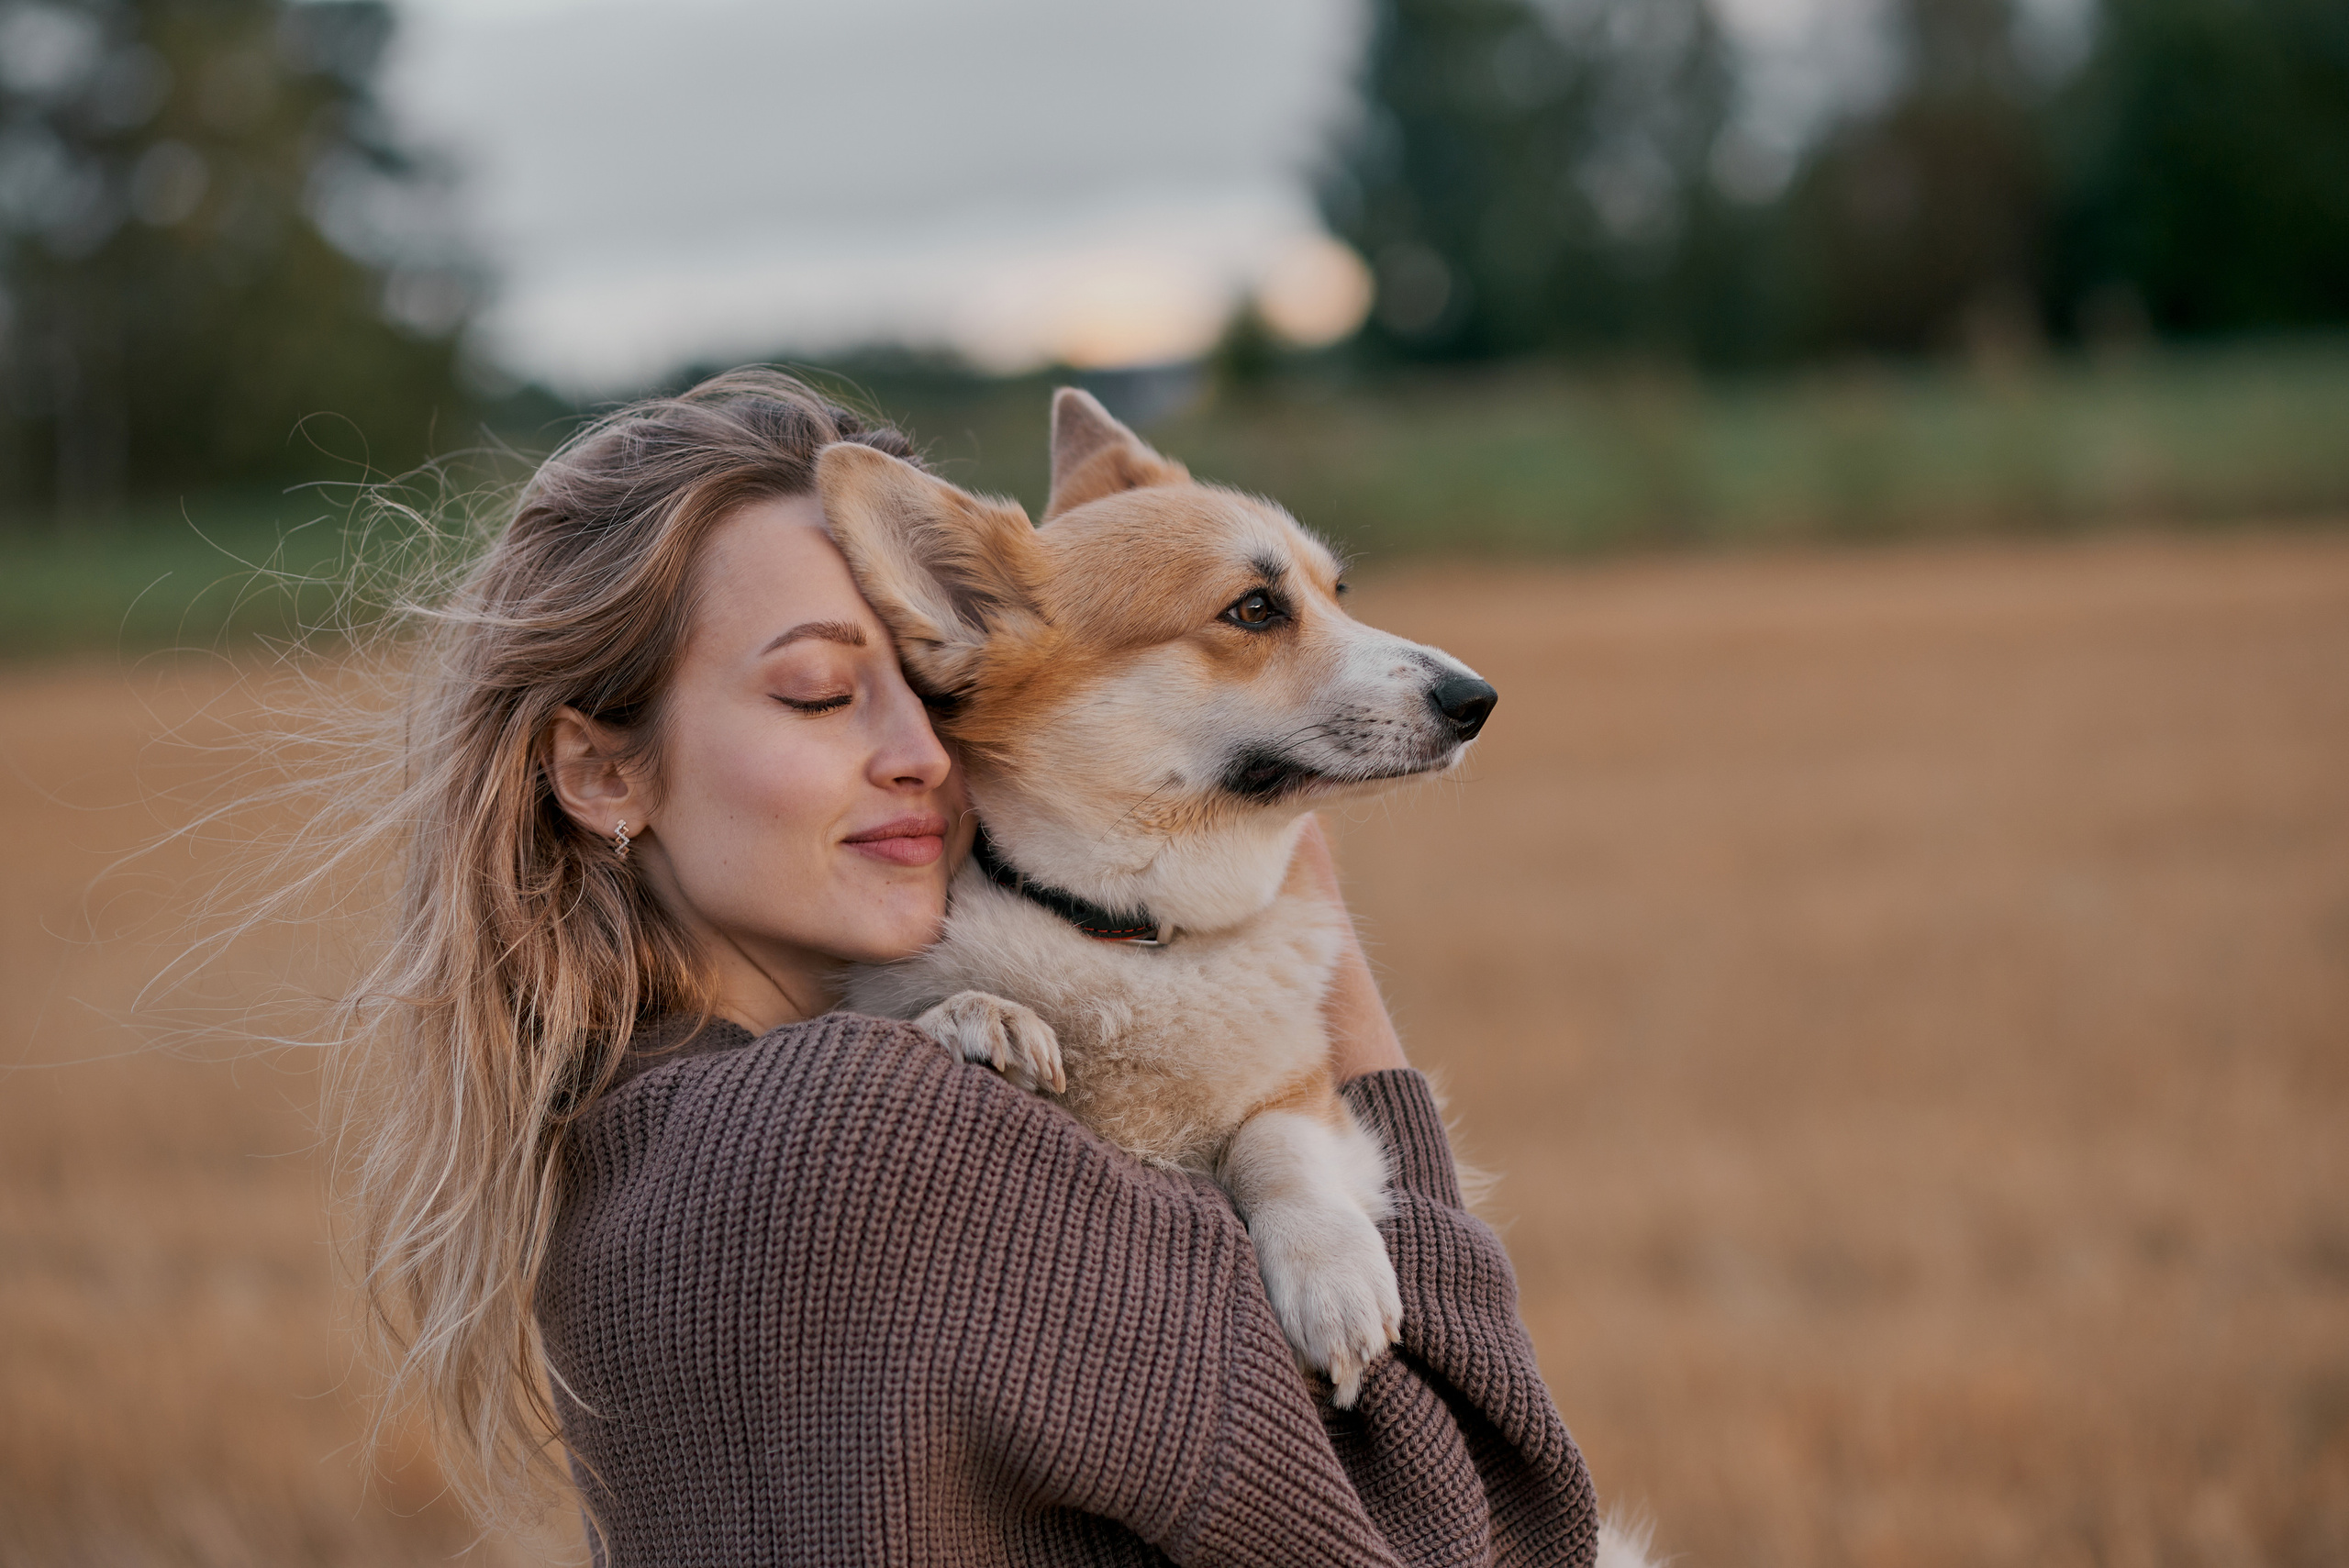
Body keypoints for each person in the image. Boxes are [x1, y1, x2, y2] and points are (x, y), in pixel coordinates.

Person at [344, 368, 1602, 1565]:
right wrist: (1340, 1015)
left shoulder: (642, 1146)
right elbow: (1491, 1534)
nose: (934, 750)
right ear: (604, 772)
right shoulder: (872, 1126)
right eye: (820, 692)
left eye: (933, 688)